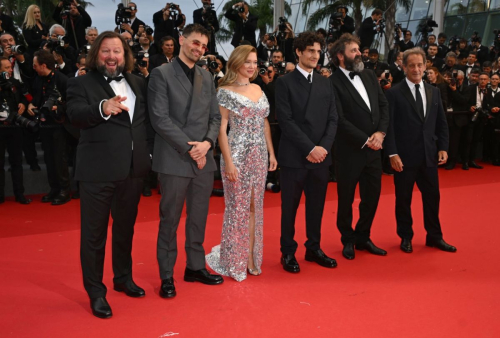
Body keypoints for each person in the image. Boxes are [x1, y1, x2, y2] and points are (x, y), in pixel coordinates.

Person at [66, 31, 152, 319]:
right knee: (94, 236)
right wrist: (102, 107)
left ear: (125, 55)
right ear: (96, 55)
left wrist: (147, 155)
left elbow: (145, 124)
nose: (112, 57)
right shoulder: (81, 83)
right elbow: (75, 115)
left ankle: (123, 278)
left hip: (133, 171)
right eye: (106, 51)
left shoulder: (139, 82)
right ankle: (96, 292)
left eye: (117, 51)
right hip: (97, 172)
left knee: (125, 230)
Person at [148, 24, 223, 299]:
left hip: (203, 158)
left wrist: (207, 143)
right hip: (175, 157)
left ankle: (195, 266)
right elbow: (159, 118)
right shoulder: (161, 74)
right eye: (194, 43)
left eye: (203, 46)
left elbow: (215, 118)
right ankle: (166, 275)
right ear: (182, 40)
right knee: (169, 220)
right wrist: (190, 148)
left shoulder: (207, 76)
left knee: (199, 218)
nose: (199, 49)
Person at [205, 45, 277, 281]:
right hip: (236, 155)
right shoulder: (224, 91)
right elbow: (221, 131)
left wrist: (271, 153)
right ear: (236, 63)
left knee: (256, 207)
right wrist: (228, 162)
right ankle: (234, 260)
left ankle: (251, 258)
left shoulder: (258, 88)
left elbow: (264, 122)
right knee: (238, 209)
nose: (252, 66)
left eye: (255, 62)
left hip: (259, 157)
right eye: (248, 61)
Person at [276, 32, 338, 273]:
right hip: (294, 157)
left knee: (316, 206)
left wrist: (323, 148)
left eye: (318, 51)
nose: (315, 55)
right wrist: (310, 148)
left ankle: (313, 247)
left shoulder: (325, 82)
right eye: (310, 50)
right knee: (289, 209)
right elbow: (286, 121)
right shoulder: (285, 82)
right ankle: (288, 252)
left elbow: (333, 118)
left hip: (321, 158)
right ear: (299, 52)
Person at [385, 47, 456, 254]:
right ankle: (405, 236)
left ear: (425, 67)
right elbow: (388, 127)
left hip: (429, 156)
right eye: (412, 65)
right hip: (404, 158)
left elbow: (441, 122)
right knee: (403, 199)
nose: (416, 69)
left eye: (420, 65)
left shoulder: (433, 91)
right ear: (404, 66)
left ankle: (435, 236)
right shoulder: (394, 93)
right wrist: (392, 153)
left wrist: (443, 147)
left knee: (433, 198)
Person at [329, 33, 389, 260]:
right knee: (345, 199)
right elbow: (339, 119)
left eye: (359, 49)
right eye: (353, 50)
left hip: (375, 150)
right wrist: (366, 139)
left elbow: (384, 106)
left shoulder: (370, 75)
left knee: (371, 197)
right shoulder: (332, 83)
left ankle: (363, 236)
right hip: (349, 152)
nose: (359, 53)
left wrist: (380, 134)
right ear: (340, 55)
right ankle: (348, 239)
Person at [0, 57, 31, 205]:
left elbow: (28, 96)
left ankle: (20, 194)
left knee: (17, 162)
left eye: (10, 67)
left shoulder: (16, 83)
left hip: (15, 127)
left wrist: (24, 103)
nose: (10, 70)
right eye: (6, 68)